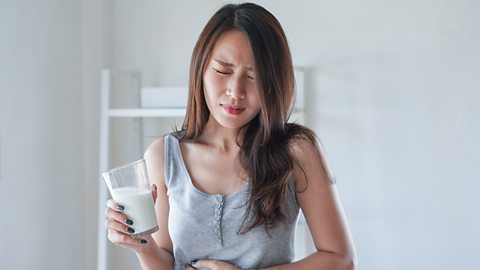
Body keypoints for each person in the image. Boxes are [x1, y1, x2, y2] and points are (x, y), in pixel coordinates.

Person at [105, 2, 356, 270]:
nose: (236, 91)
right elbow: (165, 261)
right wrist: (141, 244)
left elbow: (341, 260)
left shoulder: (296, 152)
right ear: (201, 69)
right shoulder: (163, 157)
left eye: (254, 77)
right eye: (223, 71)